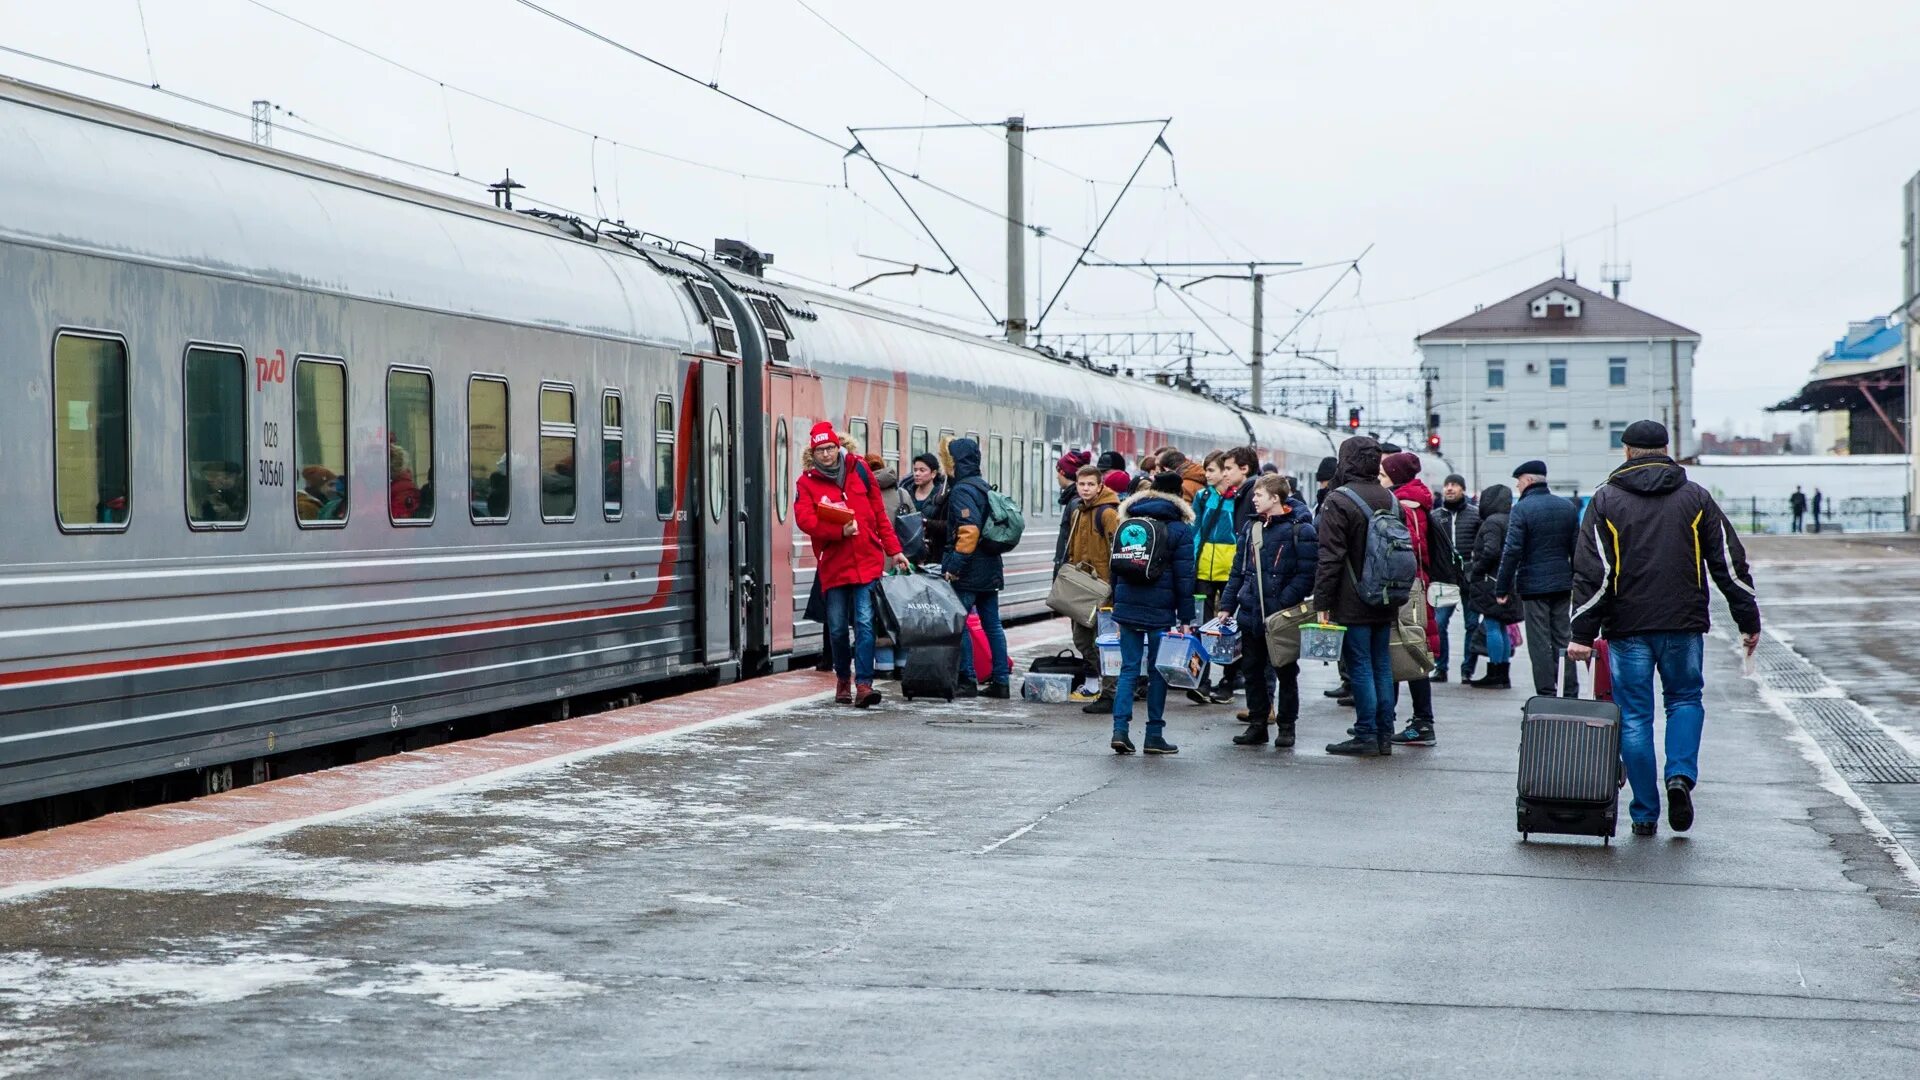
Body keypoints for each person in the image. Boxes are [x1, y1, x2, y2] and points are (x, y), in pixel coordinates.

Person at [1569, 420, 1761, 837]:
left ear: (1626, 451)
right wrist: (1748, 619)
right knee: (1685, 700)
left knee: (1635, 716)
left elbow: (1593, 573)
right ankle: (1679, 776)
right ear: (1666, 449)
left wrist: (1582, 634)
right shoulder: (1696, 498)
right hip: (1683, 622)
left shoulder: (1605, 501)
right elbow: (1729, 564)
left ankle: (1644, 812)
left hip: (1627, 627)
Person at [793, 422, 911, 708]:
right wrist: (838, 532)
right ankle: (843, 679)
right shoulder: (806, 483)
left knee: (865, 625)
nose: (826, 454)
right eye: (820, 450)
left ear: (838, 446)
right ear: (813, 452)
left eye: (830, 448)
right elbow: (805, 520)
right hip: (834, 566)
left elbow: (880, 513)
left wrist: (894, 551)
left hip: (867, 561)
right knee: (835, 628)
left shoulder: (859, 469)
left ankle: (864, 685)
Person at [1314, 436, 1404, 757]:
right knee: (1382, 663)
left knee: (1360, 664)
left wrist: (1321, 602)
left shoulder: (1339, 500)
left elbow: (1330, 557)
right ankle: (1384, 733)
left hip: (1352, 597)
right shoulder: (1391, 499)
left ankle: (1365, 731)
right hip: (1387, 594)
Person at [1221, 474, 1316, 748]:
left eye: (1259, 495)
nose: (1253, 499)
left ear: (1275, 498)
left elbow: (1307, 575)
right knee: (1252, 670)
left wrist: (1282, 600)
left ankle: (1287, 727)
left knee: (1285, 671)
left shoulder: (1301, 531)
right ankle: (1257, 724)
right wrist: (1228, 605)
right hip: (1250, 613)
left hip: (1281, 617)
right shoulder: (1251, 528)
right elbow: (1238, 571)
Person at [1108, 471, 1197, 755]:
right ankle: (1154, 735)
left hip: (1127, 607)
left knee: (1129, 669)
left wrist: (1116, 608)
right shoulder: (1181, 530)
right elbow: (1185, 579)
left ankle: (1120, 731)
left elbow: (1116, 568)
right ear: (1179, 495)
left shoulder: (1130, 519)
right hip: (1161, 612)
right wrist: (1186, 619)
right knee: (1159, 671)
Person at [1495, 460, 1581, 697]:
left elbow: (1512, 551)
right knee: (1564, 638)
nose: (1518, 486)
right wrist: (1576, 580)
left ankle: (1546, 694)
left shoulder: (1522, 509)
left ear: (1529, 481)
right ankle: (1570, 692)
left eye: (1519, 481)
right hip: (1563, 585)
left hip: (1534, 587)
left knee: (1540, 643)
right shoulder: (1567, 508)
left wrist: (1502, 588)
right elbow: (1577, 550)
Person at [941, 437, 1013, 698]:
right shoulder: (982, 485)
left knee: (959, 624)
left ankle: (967, 678)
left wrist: (954, 566)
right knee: (992, 624)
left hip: (969, 570)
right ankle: (1001, 681)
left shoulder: (962, 490)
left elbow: (969, 532)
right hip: (990, 567)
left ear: (955, 462)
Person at [1382, 452, 1440, 747]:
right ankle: (1391, 718)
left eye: (1384, 474)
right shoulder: (1412, 500)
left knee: (1412, 651)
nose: (1380, 479)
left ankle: (1421, 722)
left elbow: (1411, 551)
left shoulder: (1406, 505)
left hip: (1409, 589)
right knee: (1405, 649)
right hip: (1415, 587)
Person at [1054, 463, 1121, 708]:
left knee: (1104, 642)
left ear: (1100, 485)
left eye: (1090, 484)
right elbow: (1071, 549)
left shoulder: (1108, 514)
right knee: (1081, 640)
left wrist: (1115, 587)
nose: (1085, 488)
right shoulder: (1077, 511)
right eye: (1081, 484)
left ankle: (1110, 691)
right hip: (1081, 587)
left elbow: (1117, 552)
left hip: (1104, 589)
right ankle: (1102, 680)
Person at [1188, 449, 1249, 705]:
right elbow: (1195, 532)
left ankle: (1229, 679)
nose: (1208, 475)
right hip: (1204, 570)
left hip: (1230, 572)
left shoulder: (1239, 498)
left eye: (1212, 470)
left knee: (1229, 630)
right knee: (1201, 626)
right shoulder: (1202, 497)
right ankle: (1201, 680)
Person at [1466, 485, 1522, 688]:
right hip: (1509, 579)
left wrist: (1477, 570)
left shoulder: (1492, 522)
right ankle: (1503, 672)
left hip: (1491, 581)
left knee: (1492, 625)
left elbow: (1490, 551)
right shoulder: (1512, 519)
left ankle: (1495, 671)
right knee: (1502, 626)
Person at [1428, 474, 1481, 682]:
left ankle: (1467, 669)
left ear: (1463, 489)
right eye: (1447, 484)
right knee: (1439, 623)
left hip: (1469, 576)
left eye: (1455, 485)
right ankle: (1441, 667)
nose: (1450, 488)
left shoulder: (1475, 515)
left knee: (1472, 624)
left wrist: (1475, 567)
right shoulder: (1435, 516)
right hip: (1444, 577)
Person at [907, 453, 948, 565]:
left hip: (934, 555)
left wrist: (928, 524)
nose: (917, 474)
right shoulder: (906, 493)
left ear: (933, 474)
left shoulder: (942, 496)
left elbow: (949, 525)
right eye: (915, 470)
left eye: (922, 470)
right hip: (910, 554)